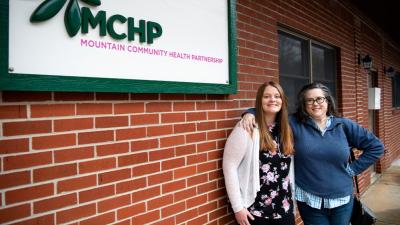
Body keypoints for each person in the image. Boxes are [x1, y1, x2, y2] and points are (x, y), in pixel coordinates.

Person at [241, 82, 384, 225]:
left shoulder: (343, 125)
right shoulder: (293, 124)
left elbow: (376, 147)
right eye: (309, 100)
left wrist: (353, 169)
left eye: (320, 99)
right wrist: (250, 113)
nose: (315, 103)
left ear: (327, 101)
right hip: (309, 200)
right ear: (304, 104)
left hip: (342, 199)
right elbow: (271, 114)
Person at [223, 81, 296, 225]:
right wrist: (238, 207)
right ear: (259, 101)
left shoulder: (286, 129)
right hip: (256, 213)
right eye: (266, 96)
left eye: (277, 96)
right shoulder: (247, 127)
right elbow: (229, 166)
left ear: (282, 100)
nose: (272, 100)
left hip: (285, 210)